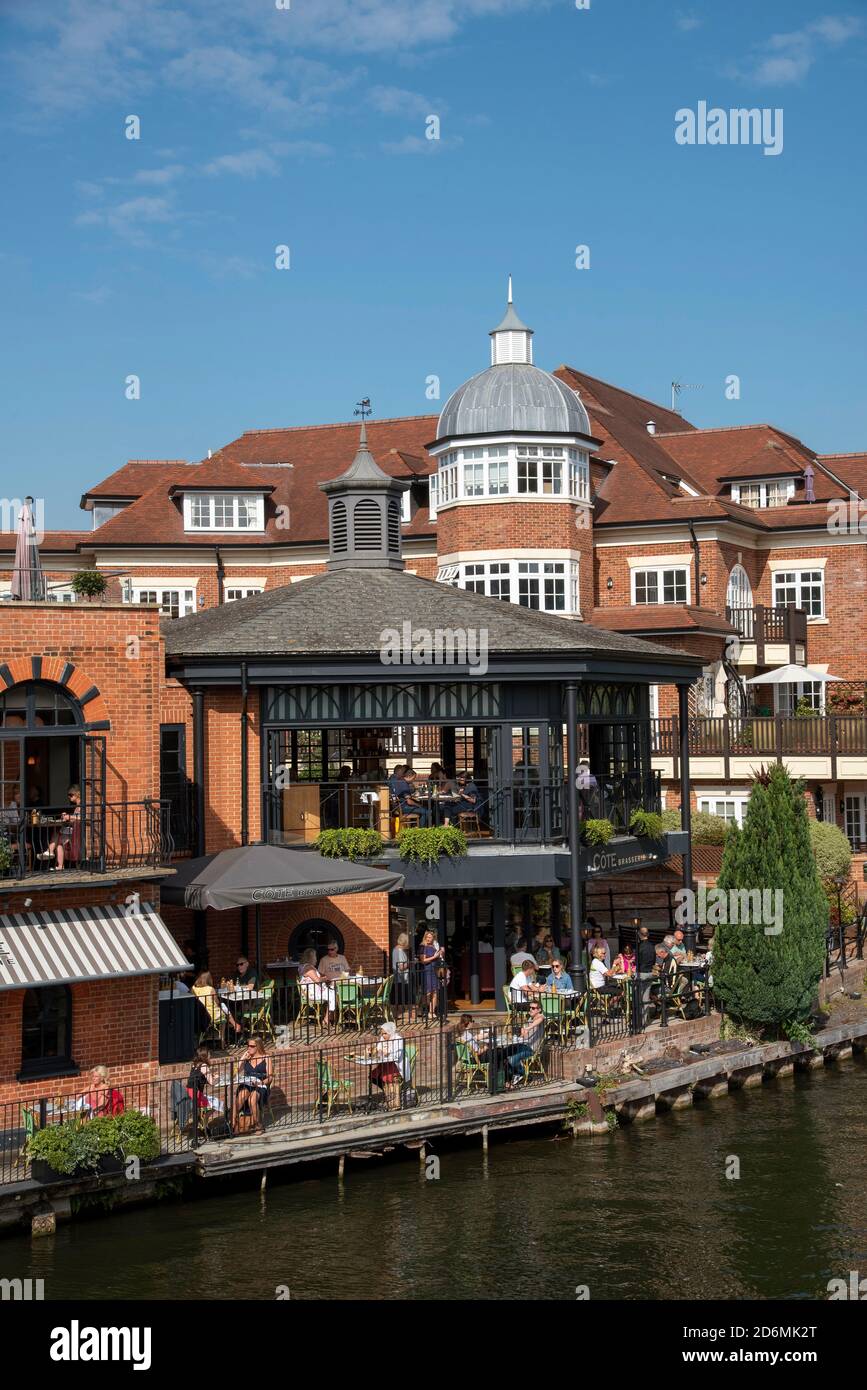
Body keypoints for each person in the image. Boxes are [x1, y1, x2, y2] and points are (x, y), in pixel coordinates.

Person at [231, 1037, 273, 1135]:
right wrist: (242, 1059)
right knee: (241, 1096)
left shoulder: (266, 1058)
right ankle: (232, 1123)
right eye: (248, 1045)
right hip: (247, 1084)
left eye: (252, 1046)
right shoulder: (247, 1058)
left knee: (252, 1099)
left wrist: (260, 1083)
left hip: (260, 1085)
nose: (249, 1048)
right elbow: (234, 1074)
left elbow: (270, 1078)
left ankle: (258, 1125)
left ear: (258, 1047)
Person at [37, 784, 81, 870]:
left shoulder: (82, 806)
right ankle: (59, 865)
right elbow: (75, 819)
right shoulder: (77, 807)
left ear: (77, 794)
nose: (69, 797)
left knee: (57, 834)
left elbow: (83, 818)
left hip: (76, 834)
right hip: (72, 831)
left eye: (71, 795)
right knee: (58, 840)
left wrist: (70, 817)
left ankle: (50, 851)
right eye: (68, 795)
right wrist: (67, 817)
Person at [505, 1001, 545, 1086]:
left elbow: (538, 1021)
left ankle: (521, 1073)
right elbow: (525, 1036)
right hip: (523, 1045)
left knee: (512, 1059)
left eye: (533, 1008)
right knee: (504, 1054)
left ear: (539, 1010)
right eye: (530, 1008)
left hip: (532, 1049)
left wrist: (528, 1028)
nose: (530, 1010)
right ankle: (506, 1080)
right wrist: (523, 1032)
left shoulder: (540, 1017)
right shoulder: (530, 1019)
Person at [370, 1021, 406, 1111]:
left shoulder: (398, 1039)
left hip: (396, 1066)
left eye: (385, 1033)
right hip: (385, 1064)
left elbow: (396, 1056)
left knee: (388, 1077)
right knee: (373, 1076)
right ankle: (388, 1094)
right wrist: (373, 1052)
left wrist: (387, 1052)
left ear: (390, 1032)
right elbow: (378, 1050)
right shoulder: (383, 1039)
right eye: (382, 1034)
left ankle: (393, 1100)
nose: (383, 1036)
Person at [193, 971, 242, 1038]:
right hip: (211, 1014)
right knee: (223, 1006)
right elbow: (217, 1002)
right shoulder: (210, 989)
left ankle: (234, 1025)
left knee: (223, 1007)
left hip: (199, 1014)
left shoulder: (193, 988)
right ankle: (225, 1037)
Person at [298, 948, 336, 1019]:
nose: (316, 958)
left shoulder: (303, 966)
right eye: (315, 956)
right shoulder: (308, 968)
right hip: (311, 993)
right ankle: (328, 1018)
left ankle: (330, 1016)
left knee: (333, 991)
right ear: (311, 957)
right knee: (333, 994)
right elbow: (317, 980)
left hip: (312, 991)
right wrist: (324, 978)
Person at [186, 1046, 224, 1114]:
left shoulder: (194, 1065)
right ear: (205, 1056)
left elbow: (199, 1078)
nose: (210, 1056)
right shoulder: (204, 1066)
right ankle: (204, 1122)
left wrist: (211, 1075)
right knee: (218, 1103)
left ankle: (202, 1120)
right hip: (197, 1098)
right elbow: (212, 1083)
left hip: (190, 1095)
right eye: (209, 1054)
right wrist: (218, 1078)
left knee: (213, 1100)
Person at [419, 930, 444, 1022]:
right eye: (427, 937)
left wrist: (441, 953)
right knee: (428, 992)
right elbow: (423, 960)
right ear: (425, 937)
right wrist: (435, 957)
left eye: (430, 937)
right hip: (427, 970)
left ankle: (432, 1012)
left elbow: (439, 957)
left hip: (434, 970)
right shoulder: (422, 946)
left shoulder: (434, 946)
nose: (429, 939)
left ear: (433, 938)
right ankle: (423, 1009)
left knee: (435, 991)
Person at [392, 931, 411, 1008]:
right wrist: (411, 963)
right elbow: (401, 967)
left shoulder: (395, 949)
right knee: (401, 999)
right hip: (401, 978)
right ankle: (400, 1013)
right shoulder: (399, 951)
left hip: (399, 978)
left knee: (399, 998)